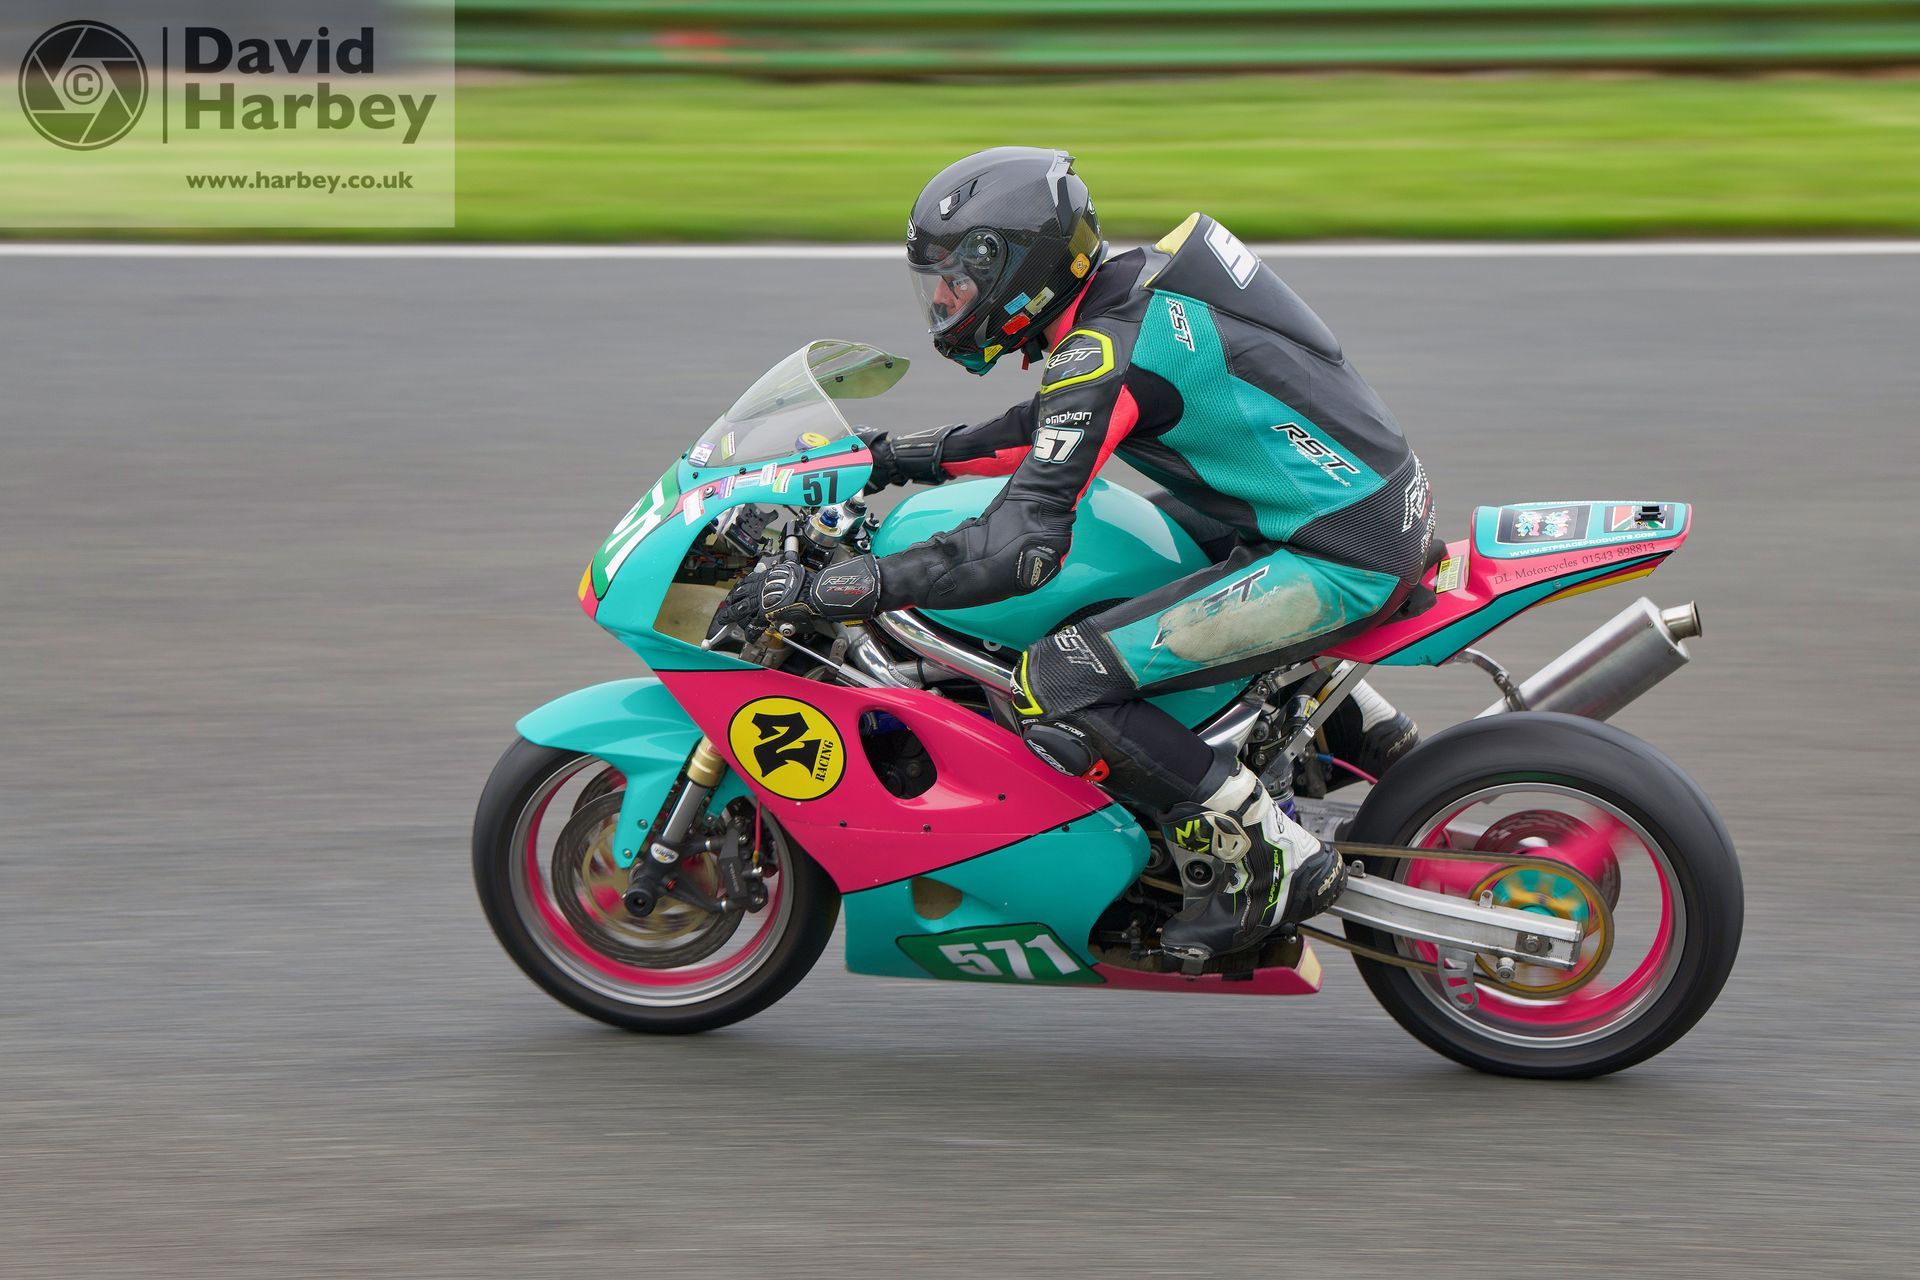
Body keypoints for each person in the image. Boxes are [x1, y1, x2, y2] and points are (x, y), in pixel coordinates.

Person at [755, 147, 1432, 967]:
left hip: (1337, 553)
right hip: (1339, 510)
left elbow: (1019, 554)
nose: (942, 300)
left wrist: (845, 586)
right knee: (1145, 555)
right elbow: (1040, 434)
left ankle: (1268, 858)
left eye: (958, 277)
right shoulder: (1126, 296)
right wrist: (891, 455)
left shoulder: (1102, 348)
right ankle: (1372, 739)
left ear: (1019, 267)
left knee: (1059, 680)